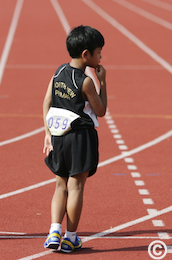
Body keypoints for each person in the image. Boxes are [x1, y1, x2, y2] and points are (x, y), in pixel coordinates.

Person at [42, 25, 107, 253]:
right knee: (76, 187)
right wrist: (104, 82)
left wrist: (47, 133)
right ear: (86, 54)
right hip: (79, 137)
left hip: (58, 136)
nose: (100, 57)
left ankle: (53, 232)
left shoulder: (58, 73)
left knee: (60, 186)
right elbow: (100, 110)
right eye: (99, 53)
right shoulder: (86, 82)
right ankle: (70, 237)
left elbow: (46, 102)